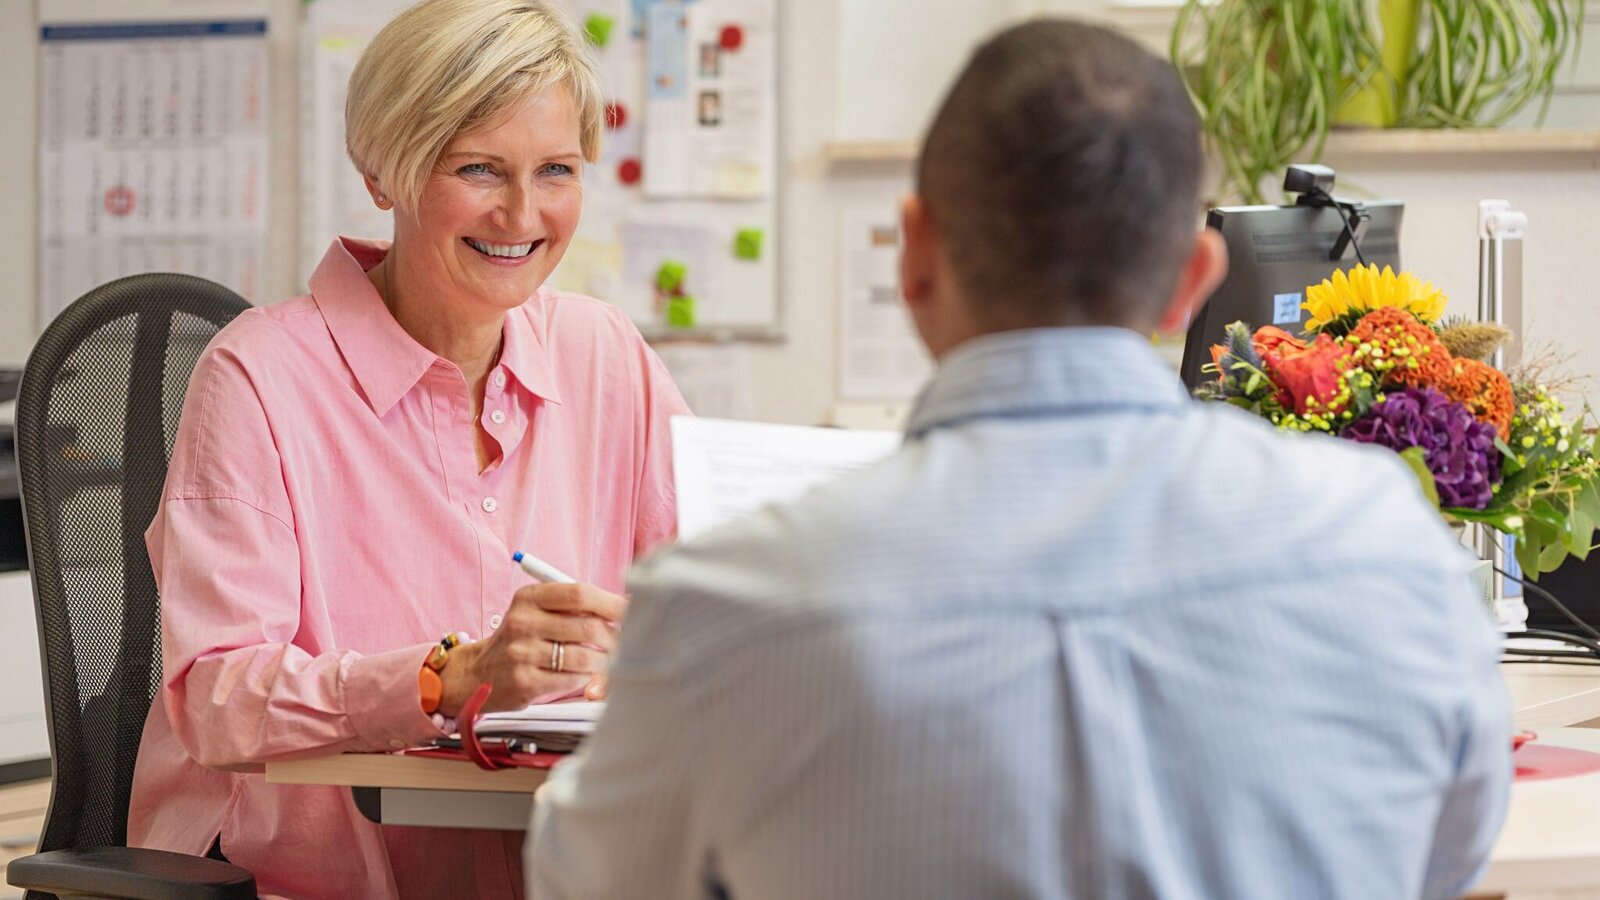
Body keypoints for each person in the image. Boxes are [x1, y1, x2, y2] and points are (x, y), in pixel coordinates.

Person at [527, 18, 1510, 900]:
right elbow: (1447, 855)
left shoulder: (723, 604)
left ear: (911, 256)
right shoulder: (1385, 543)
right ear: (1193, 282)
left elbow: (593, 880)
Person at [126, 1, 688, 897]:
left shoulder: (606, 354)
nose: (521, 213)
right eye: (478, 169)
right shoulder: (259, 377)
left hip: (564, 855)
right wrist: (446, 677)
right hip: (318, 874)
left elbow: (707, 598)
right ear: (383, 170)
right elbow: (218, 698)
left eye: (555, 170)